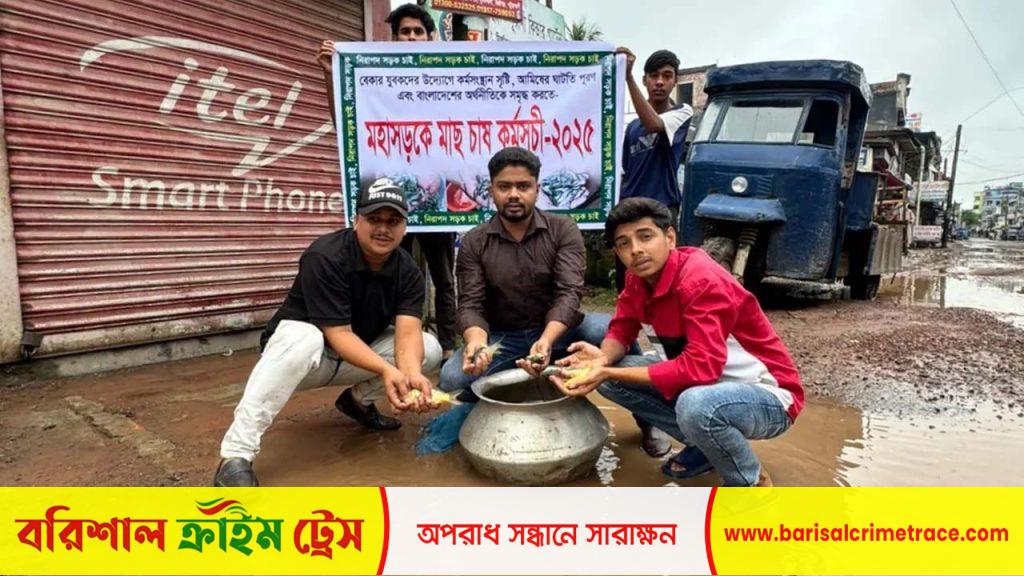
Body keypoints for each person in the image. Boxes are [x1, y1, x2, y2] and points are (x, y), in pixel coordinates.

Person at [550, 198, 803, 487]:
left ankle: (749, 481)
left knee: (695, 406)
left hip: (770, 397)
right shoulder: (637, 279)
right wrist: (601, 361)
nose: (636, 249)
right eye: (624, 243)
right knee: (611, 381)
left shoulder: (700, 281)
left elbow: (701, 369)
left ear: (669, 237)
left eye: (645, 236)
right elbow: (621, 330)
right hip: (707, 387)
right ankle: (708, 447)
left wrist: (605, 370)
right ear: (618, 252)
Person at [214, 179, 443, 487]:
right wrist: (388, 370)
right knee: (304, 337)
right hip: (305, 359)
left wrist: (411, 374)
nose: (383, 229)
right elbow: (339, 334)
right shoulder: (325, 255)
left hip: (353, 357)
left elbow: (408, 334)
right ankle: (235, 455)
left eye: (393, 221)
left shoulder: (408, 270)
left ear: (404, 227)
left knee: (430, 348)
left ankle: (357, 402)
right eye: (374, 218)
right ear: (355, 219)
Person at [316, 3, 458, 362]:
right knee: (393, 274)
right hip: (391, 205)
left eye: (417, 32)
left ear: (430, 38)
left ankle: (449, 348)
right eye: (404, 32)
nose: (411, 38)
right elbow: (347, 126)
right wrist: (332, 74)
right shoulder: (375, 82)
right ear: (393, 39)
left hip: (435, 202)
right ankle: (395, 348)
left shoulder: (447, 80)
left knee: (444, 278)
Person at [438, 147, 616, 395]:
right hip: (502, 339)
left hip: (558, 333)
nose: (514, 195)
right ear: (491, 191)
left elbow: (569, 294)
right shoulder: (474, 241)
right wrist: (477, 342)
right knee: (451, 377)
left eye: (523, 186)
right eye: (504, 187)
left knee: (609, 331)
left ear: (537, 189)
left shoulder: (563, 229)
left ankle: (640, 407)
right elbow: (470, 304)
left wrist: (546, 340)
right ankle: (493, 395)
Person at [615, 47, 693, 292]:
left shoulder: (682, 112)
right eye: (654, 76)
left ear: (675, 81)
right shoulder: (632, 128)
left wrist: (627, 77)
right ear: (645, 80)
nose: (660, 82)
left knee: (665, 279)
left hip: (662, 207)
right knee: (628, 281)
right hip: (630, 209)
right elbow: (626, 170)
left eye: (667, 76)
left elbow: (654, 124)